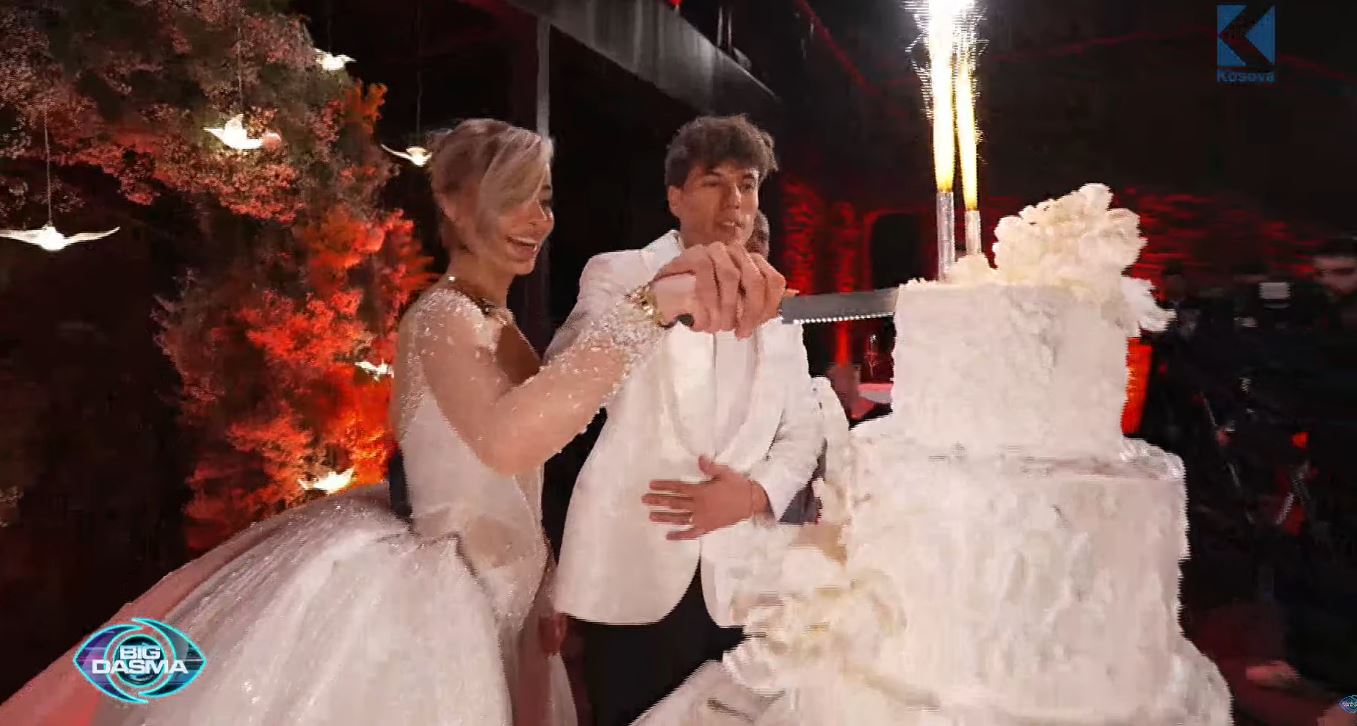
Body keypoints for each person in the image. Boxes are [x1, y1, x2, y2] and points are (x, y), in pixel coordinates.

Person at [0, 119, 787, 726]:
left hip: (496, 592)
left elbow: (531, 462)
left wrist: (547, 580)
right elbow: (509, 439)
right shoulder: (441, 317)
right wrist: (649, 308)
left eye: (543, 198)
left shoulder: (500, 324)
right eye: (509, 197)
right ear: (453, 204)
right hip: (423, 600)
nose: (533, 218)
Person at [548, 115, 822, 726]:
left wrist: (754, 493)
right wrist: (664, 297)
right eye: (713, 183)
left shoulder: (779, 300)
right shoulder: (620, 274)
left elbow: (803, 429)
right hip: (636, 569)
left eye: (747, 185)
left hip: (745, 582)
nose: (734, 202)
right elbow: (572, 378)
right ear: (675, 197)